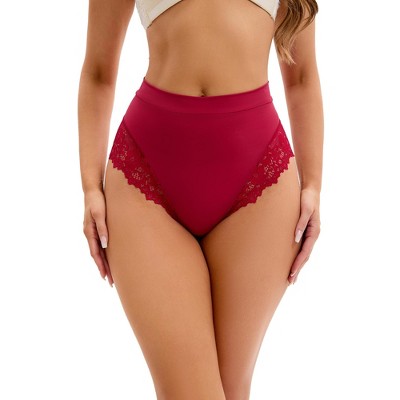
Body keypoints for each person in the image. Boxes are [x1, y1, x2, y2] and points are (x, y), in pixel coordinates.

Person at [78, 0, 323, 398]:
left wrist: (313, 184)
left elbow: (302, 77)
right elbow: (98, 73)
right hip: (145, 183)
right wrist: (90, 185)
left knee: (231, 391)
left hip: (260, 186)